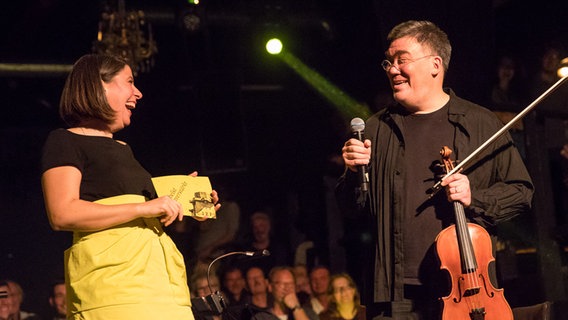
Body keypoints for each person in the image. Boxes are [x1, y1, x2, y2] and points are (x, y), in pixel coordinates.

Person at [337, 20, 534, 319]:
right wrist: (352, 172)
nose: (392, 70)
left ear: (435, 64)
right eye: (389, 62)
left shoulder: (479, 123)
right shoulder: (375, 130)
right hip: (394, 294)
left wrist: (474, 197)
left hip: (468, 288)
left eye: (402, 60)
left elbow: (521, 192)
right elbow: (351, 210)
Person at [40, 54, 220, 319]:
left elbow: (140, 214)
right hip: (114, 290)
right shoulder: (64, 141)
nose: (138, 93)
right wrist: (145, 207)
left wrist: (186, 201)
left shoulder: (123, 149)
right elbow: (62, 213)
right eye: (129, 82)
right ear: (100, 85)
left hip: (163, 288)